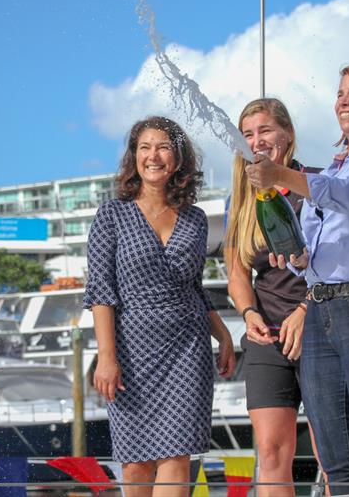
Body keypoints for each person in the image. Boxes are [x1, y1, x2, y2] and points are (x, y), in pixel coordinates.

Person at [245, 63, 349, 494]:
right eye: (340, 92)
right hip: (323, 305)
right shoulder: (335, 166)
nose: (342, 100)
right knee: (338, 459)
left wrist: (280, 176)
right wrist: (301, 258)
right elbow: (327, 236)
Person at [84, 116, 236, 497]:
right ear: (134, 157)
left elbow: (195, 288)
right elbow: (101, 292)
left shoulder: (196, 219)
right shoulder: (111, 216)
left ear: (178, 158)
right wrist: (107, 356)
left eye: (163, 147)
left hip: (188, 350)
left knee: (177, 457)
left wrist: (224, 337)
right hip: (130, 353)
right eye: (145, 147)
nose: (154, 156)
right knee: (135, 463)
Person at [224, 98, 322, 496]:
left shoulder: (315, 183)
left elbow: (342, 263)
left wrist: (305, 309)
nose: (257, 140)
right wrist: (248, 314)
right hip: (267, 336)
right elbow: (236, 272)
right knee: (271, 450)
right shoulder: (240, 199)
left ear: (288, 135)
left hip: (319, 327)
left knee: (328, 450)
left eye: (265, 130)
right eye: (248, 134)